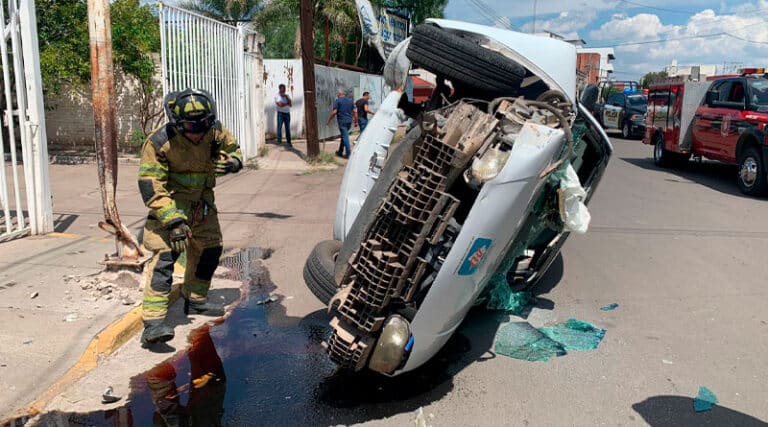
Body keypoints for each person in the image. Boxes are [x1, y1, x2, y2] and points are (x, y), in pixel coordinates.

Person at [138, 88, 243, 347]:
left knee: (209, 251)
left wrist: (233, 163)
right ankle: (152, 324)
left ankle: (195, 299)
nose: (198, 131)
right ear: (176, 122)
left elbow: (236, 151)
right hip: (170, 207)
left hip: (203, 206)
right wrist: (172, 221)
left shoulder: (214, 130)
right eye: (190, 126)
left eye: (203, 124)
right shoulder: (159, 142)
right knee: (165, 260)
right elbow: (151, 185)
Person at [326, 88, 357, 158]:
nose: (337, 95)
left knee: (345, 137)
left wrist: (329, 120)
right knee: (344, 136)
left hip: (342, 122)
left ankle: (348, 153)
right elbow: (355, 111)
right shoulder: (350, 101)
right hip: (349, 122)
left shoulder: (338, 101)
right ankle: (340, 151)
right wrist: (356, 121)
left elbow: (334, 112)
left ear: (339, 94)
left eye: (337, 94)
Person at [275, 83, 292, 148]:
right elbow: (280, 105)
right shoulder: (277, 96)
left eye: (284, 89)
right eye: (283, 89)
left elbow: (290, 104)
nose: (284, 90)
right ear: (280, 89)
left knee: (287, 128)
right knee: (279, 127)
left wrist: (286, 98)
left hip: (287, 113)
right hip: (280, 114)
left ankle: (289, 141)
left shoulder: (287, 96)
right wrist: (286, 103)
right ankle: (279, 141)